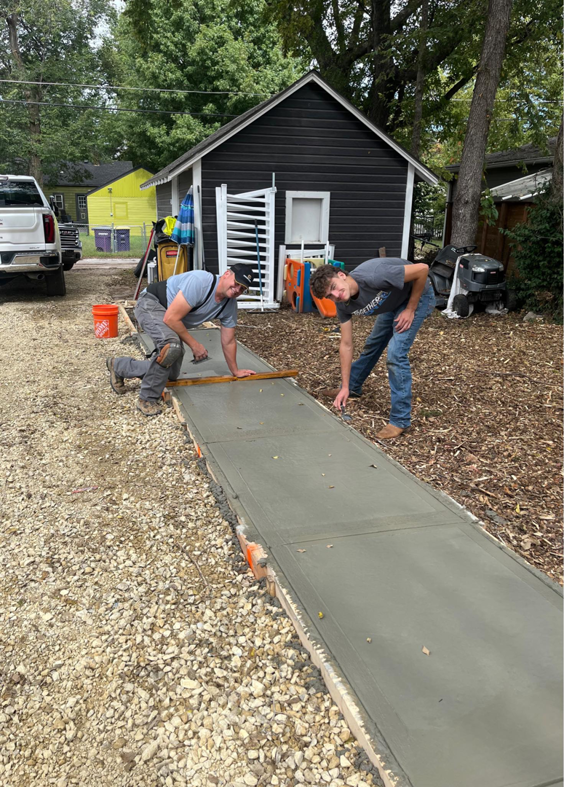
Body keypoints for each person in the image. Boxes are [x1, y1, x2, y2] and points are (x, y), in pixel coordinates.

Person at [107, 264, 256, 416]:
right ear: (226, 274)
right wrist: (194, 345)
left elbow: (229, 341)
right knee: (171, 348)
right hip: (151, 304)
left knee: (170, 373)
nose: (237, 290)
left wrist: (235, 371)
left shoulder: (229, 306)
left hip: (169, 317)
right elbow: (170, 318)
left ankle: (119, 366)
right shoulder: (201, 281)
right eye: (236, 283)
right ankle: (147, 399)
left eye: (242, 289)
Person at [310, 258, 435, 439]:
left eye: (334, 287)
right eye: (329, 296)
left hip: (416, 296)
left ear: (342, 275)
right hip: (391, 301)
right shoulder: (342, 304)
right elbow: (346, 344)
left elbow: (423, 269)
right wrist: (344, 386)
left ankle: (400, 420)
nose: (335, 295)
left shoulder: (375, 276)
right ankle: (351, 387)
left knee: (395, 353)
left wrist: (410, 309)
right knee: (373, 344)